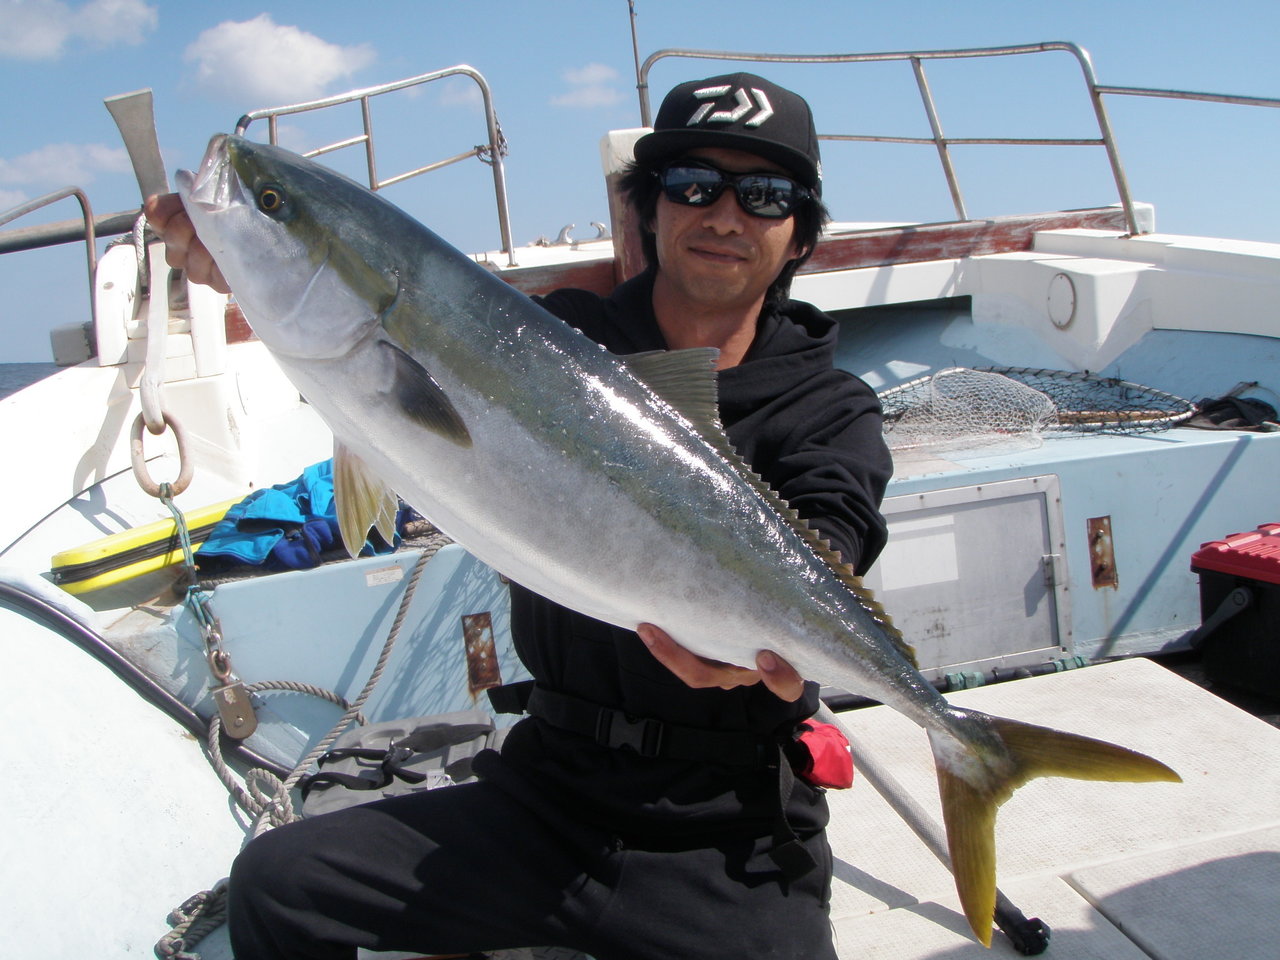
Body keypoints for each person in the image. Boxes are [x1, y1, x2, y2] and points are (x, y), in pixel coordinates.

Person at [146, 72, 892, 960]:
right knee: (277, 885)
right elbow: (380, 382)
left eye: (764, 195)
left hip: (729, 826)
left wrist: (765, 648)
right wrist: (241, 260)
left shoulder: (830, 404)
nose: (724, 215)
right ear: (650, 210)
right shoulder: (564, 341)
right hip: (547, 794)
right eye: (693, 184)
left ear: (800, 231)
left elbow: (835, 529)